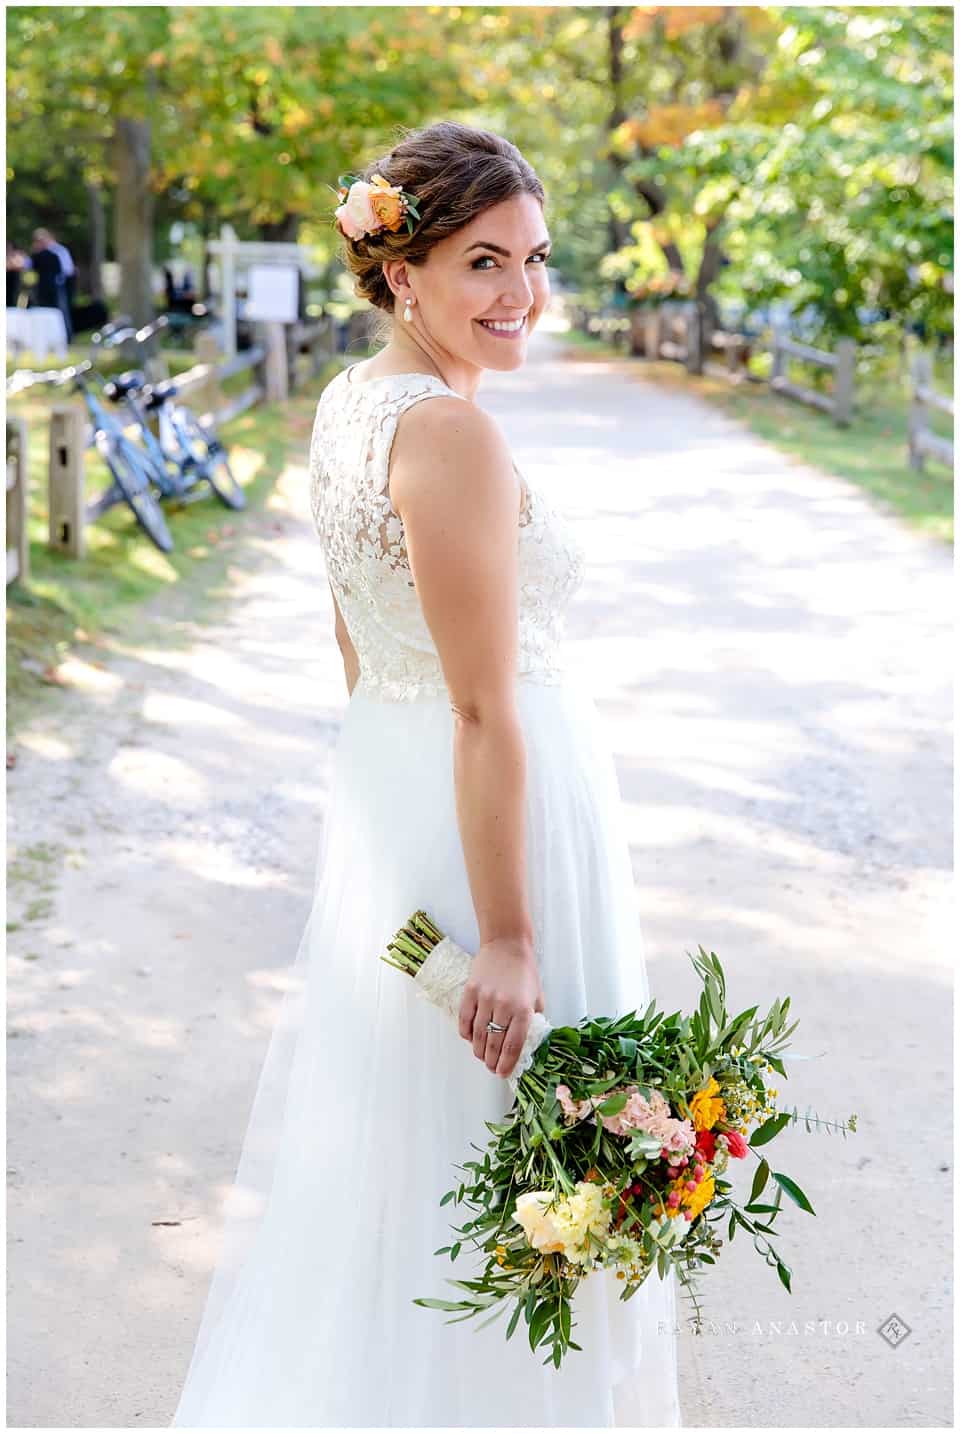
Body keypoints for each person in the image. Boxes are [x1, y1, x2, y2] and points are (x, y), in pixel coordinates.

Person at [170, 119, 682, 1428]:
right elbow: (477, 699)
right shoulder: (451, 436)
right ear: (400, 272)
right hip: (492, 827)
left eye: (535, 259)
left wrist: (388, 851)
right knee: (511, 1157)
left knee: (429, 1165)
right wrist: (506, 931)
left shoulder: (351, 406)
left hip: (417, 808)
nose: (524, 296)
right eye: (483, 264)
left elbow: (358, 653)